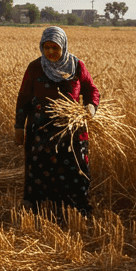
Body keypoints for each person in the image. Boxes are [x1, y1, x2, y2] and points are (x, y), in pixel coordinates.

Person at [13, 26, 100, 219]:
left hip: (71, 131)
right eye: (47, 47)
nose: (51, 52)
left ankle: (77, 210)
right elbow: (24, 98)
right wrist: (19, 127)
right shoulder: (35, 67)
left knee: (75, 170)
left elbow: (92, 90)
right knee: (40, 169)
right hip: (40, 130)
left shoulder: (77, 66)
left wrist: (91, 108)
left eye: (55, 47)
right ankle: (39, 210)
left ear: (64, 46)